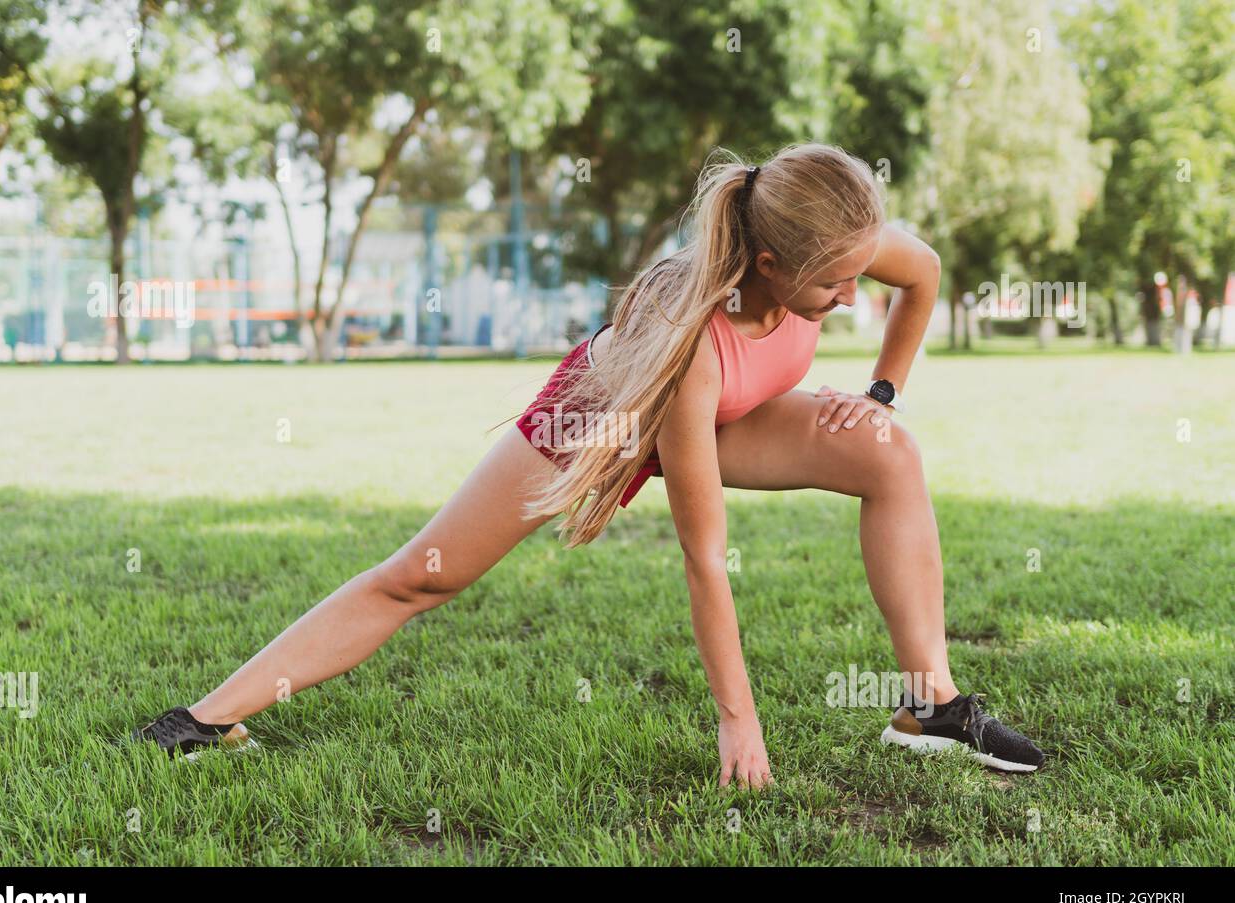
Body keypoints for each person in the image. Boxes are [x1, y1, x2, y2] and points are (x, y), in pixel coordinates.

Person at [132, 143, 1046, 783]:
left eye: (857, 276)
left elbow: (920, 274)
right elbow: (704, 555)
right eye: (833, 286)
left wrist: (880, 395)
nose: (854, 296)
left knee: (890, 452)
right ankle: (204, 717)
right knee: (423, 576)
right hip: (603, 418)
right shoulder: (692, 340)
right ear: (768, 263)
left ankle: (929, 706)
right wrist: (739, 716)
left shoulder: (834, 239)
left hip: (734, 411)